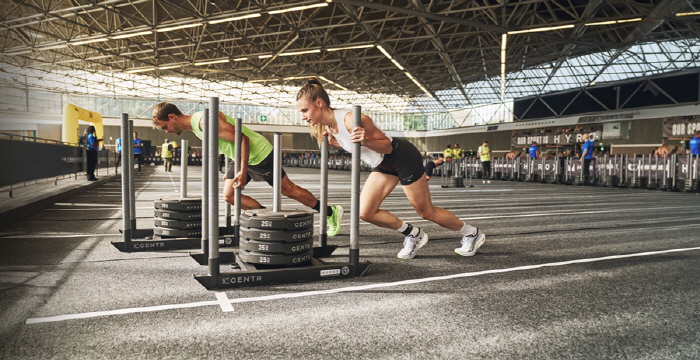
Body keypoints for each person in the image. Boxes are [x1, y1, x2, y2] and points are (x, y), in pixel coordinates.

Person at [297, 78, 485, 259]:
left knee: (426, 211)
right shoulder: (331, 127)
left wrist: (366, 140)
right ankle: (414, 234)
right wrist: (337, 143)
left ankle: (471, 233)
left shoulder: (351, 119)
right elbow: (357, 144)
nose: (303, 116)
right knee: (366, 212)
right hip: (382, 164)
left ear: (319, 103)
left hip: (401, 156)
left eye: (305, 110)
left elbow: (386, 146)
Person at [151, 102, 345, 237]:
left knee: (288, 190)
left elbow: (242, 138)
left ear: (172, 116)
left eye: (165, 126)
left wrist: (242, 171)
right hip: (241, 156)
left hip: (258, 153)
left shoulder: (204, 122)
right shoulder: (196, 126)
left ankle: (329, 211)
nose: (167, 131)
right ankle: (265, 218)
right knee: (229, 195)